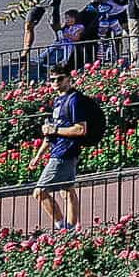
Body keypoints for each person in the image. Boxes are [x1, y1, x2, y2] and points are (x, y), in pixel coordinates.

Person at [29, 62, 93, 230]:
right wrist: (38, 156)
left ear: (69, 79)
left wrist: (55, 129)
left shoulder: (74, 99)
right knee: (67, 190)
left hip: (65, 151)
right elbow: (51, 134)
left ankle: (63, 227)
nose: (55, 82)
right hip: (59, 149)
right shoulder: (58, 100)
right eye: (52, 80)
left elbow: (80, 129)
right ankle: (70, 230)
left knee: (40, 192)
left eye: (60, 79)